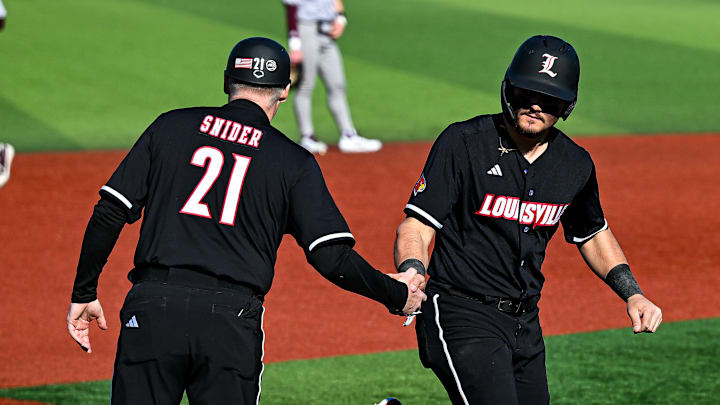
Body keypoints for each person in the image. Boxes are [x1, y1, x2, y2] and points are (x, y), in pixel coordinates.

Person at [66, 37, 425, 404]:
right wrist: (395, 293)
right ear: (285, 91)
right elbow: (330, 255)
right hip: (230, 320)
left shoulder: (170, 127)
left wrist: (84, 291)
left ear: (227, 81)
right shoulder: (292, 161)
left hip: (154, 308)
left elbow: (109, 211)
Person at [393, 35, 662, 405]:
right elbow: (418, 224)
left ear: (566, 105)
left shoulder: (574, 164)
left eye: (550, 99)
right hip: (460, 312)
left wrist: (632, 293)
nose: (535, 105)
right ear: (508, 89)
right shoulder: (464, 143)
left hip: (525, 324)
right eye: (526, 93)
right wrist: (411, 269)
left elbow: (592, 234)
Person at [283, 0, 382, 154]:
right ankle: (307, 137)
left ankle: (348, 135)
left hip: (327, 31)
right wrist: (295, 43)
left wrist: (341, 18)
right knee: (305, 85)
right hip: (306, 29)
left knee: (337, 84)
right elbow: (291, 6)